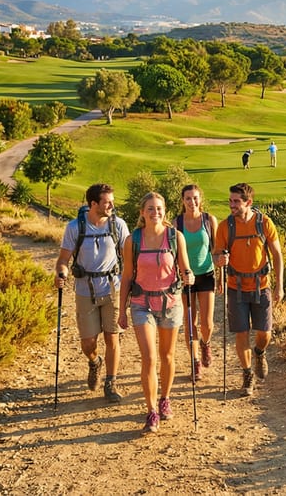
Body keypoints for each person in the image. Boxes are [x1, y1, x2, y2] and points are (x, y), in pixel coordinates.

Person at [119, 191, 193, 432]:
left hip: (170, 304)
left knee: (167, 357)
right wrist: (122, 310)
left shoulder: (175, 237)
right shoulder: (133, 240)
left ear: (165, 211)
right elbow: (127, 276)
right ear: (142, 212)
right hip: (141, 304)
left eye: (159, 208)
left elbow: (185, 269)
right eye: (150, 208)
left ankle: (165, 398)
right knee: (149, 358)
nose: (155, 213)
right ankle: (151, 410)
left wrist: (189, 276)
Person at [54, 183, 130, 404]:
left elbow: (129, 256)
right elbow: (63, 259)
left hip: (112, 289)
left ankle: (111, 382)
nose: (111, 205)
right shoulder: (74, 227)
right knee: (88, 343)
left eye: (112, 201)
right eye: (107, 202)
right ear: (93, 204)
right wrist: (61, 273)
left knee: (112, 338)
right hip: (84, 290)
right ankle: (94, 362)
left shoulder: (119, 225)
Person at [212, 183, 285, 398]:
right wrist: (219, 260)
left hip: (262, 286)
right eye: (230, 201)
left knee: (265, 333)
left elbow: (277, 255)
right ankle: (247, 375)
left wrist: (279, 286)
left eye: (236, 201)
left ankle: (259, 353)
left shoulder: (264, 223)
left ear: (248, 202)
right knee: (241, 333)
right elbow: (216, 255)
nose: (231, 205)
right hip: (236, 287)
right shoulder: (225, 226)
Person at [176, 185, 217, 382]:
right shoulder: (177, 223)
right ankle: (195, 362)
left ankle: (206, 343)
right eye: (188, 199)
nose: (192, 202)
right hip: (185, 277)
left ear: (200, 199)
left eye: (195, 198)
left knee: (207, 324)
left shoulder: (209, 220)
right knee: (189, 322)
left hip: (206, 274)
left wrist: (223, 261)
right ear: (183, 201)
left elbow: (216, 249)